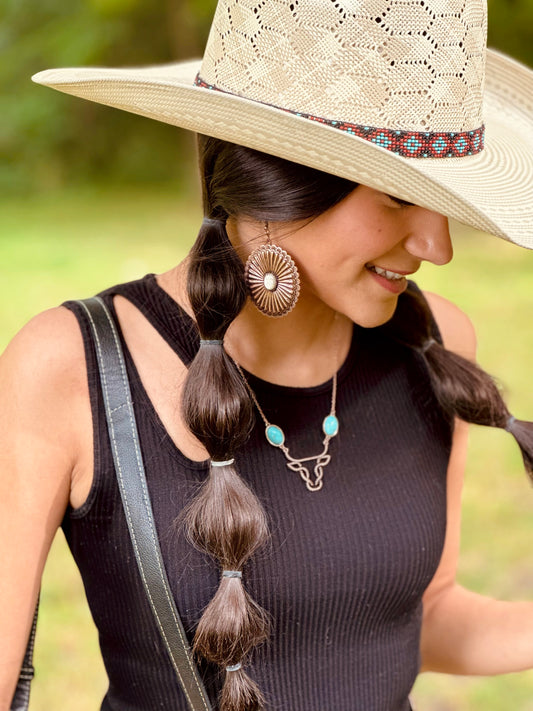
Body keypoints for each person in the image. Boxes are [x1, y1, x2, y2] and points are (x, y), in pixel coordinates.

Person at [2, 0, 533, 710]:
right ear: (272, 184)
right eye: (401, 196)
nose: (436, 247)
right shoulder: (68, 368)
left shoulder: (437, 345)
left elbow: (420, 617)